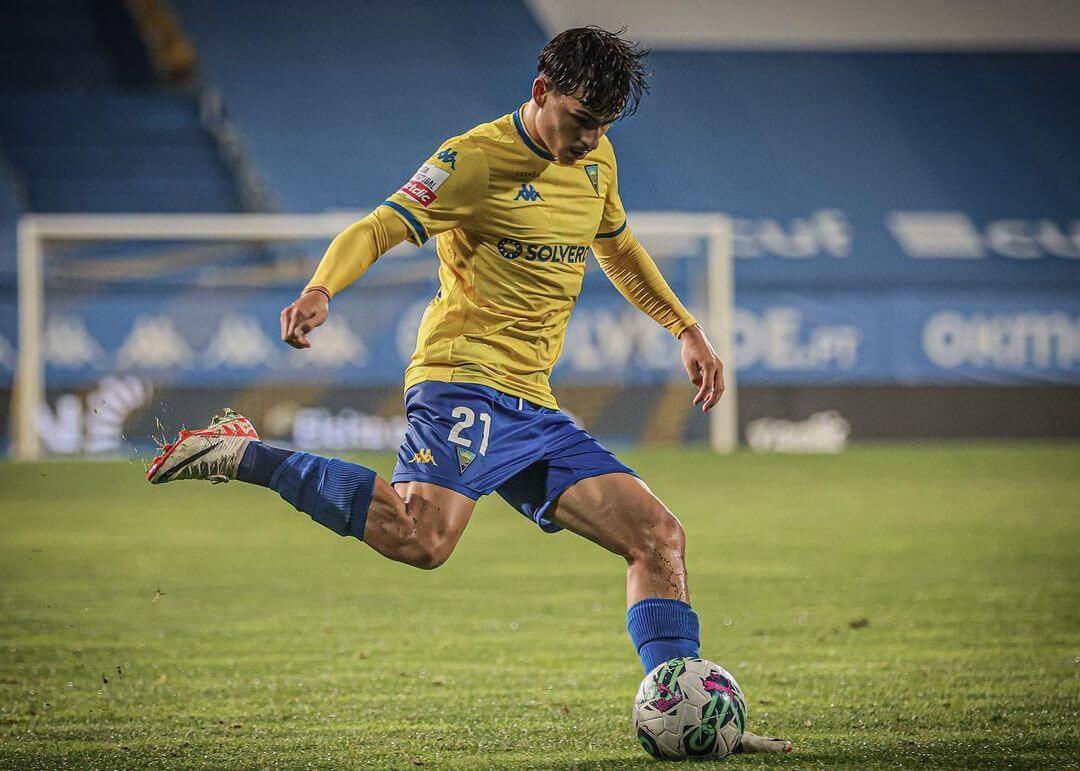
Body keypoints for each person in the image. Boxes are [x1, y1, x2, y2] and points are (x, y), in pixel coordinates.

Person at [148, 26, 790, 754]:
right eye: (579, 122)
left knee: (658, 536)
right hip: (461, 383)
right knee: (423, 541)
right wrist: (322, 287)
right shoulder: (474, 159)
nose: (587, 141)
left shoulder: (597, 160)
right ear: (543, 91)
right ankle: (249, 455)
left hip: (532, 403)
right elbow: (379, 225)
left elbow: (617, 246)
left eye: (602, 128)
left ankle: (691, 712)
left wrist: (685, 327)